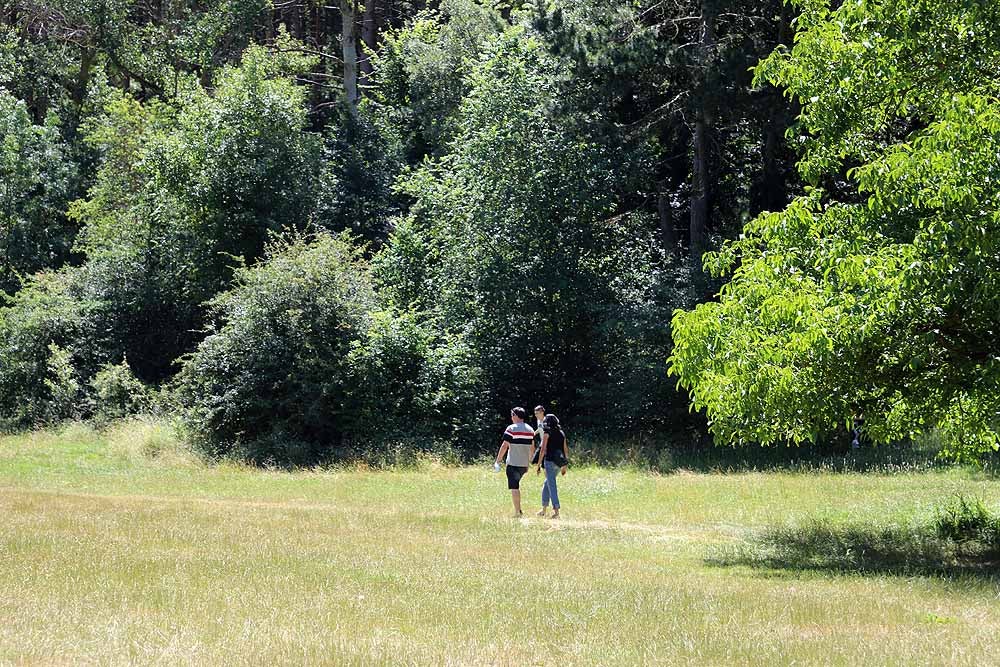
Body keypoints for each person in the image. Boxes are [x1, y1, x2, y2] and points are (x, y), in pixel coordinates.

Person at [493, 407, 536, 517]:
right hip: (524, 464)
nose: (511, 417)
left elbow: (504, 446)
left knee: (514, 487)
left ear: (516, 416)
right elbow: (532, 448)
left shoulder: (511, 428)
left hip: (513, 463)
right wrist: (529, 461)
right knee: (516, 486)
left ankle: (518, 511)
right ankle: (518, 510)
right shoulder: (530, 430)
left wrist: (498, 461)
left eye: (512, 415)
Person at [536, 413, 568, 519]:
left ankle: (556, 511)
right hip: (558, 463)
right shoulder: (561, 433)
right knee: (547, 484)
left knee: (552, 485)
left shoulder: (547, 433)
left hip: (549, 462)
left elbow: (543, 449)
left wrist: (538, 464)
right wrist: (565, 465)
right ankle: (544, 509)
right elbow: (565, 449)